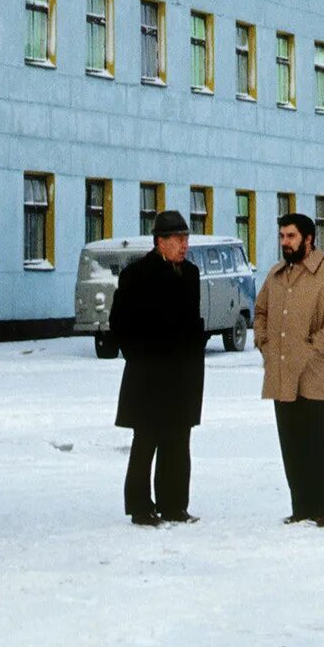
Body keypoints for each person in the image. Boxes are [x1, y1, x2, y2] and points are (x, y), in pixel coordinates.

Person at [254, 210, 324, 528]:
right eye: (282, 236)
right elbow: (260, 312)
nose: (285, 242)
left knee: (318, 441)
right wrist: (264, 343)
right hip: (281, 372)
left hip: (314, 371)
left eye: (291, 236)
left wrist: (316, 345)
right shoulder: (275, 275)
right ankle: (302, 506)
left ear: (308, 239)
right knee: (291, 442)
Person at [108, 209, 205, 526]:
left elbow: (192, 322)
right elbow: (119, 324)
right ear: (160, 242)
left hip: (183, 375)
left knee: (179, 440)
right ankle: (139, 506)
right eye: (178, 239)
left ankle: (174, 504)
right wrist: (140, 356)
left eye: (186, 238)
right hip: (149, 375)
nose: (184, 244)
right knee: (146, 440)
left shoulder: (190, 274)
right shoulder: (137, 275)